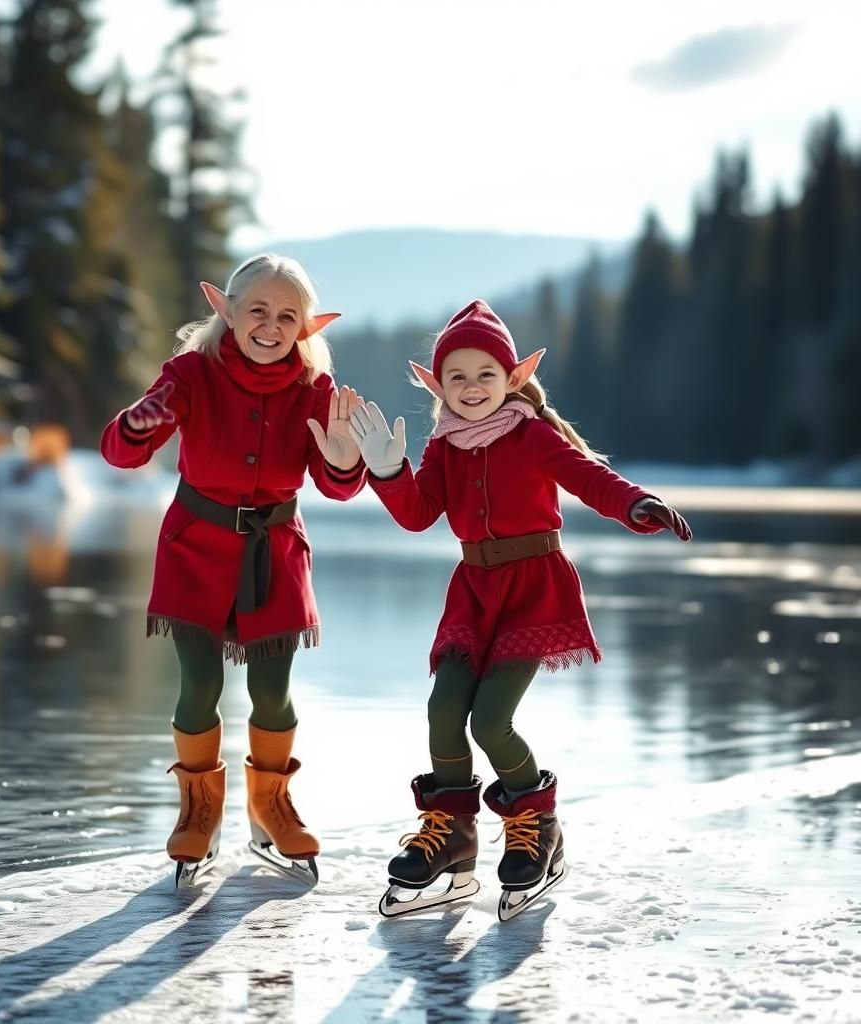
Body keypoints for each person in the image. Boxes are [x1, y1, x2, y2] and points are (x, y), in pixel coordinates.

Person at [349, 299, 691, 920]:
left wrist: (637, 504)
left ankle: (539, 828)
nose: (472, 388)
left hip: (534, 589)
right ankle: (452, 836)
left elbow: (589, 478)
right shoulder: (446, 444)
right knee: (443, 707)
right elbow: (419, 513)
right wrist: (388, 470)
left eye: (485, 374)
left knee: (490, 720)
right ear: (439, 386)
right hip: (474, 590)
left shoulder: (533, 433)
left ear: (510, 378)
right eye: (457, 377)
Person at [101, 254, 365, 885]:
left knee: (273, 692)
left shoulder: (316, 389)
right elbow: (119, 450)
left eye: (286, 316)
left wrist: (344, 454)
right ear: (227, 311)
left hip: (274, 551)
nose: (270, 326)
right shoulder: (191, 372)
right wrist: (140, 423)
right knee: (199, 688)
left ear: (305, 327)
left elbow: (339, 487)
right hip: (195, 549)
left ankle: (270, 808)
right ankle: (198, 812)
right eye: (258, 311)